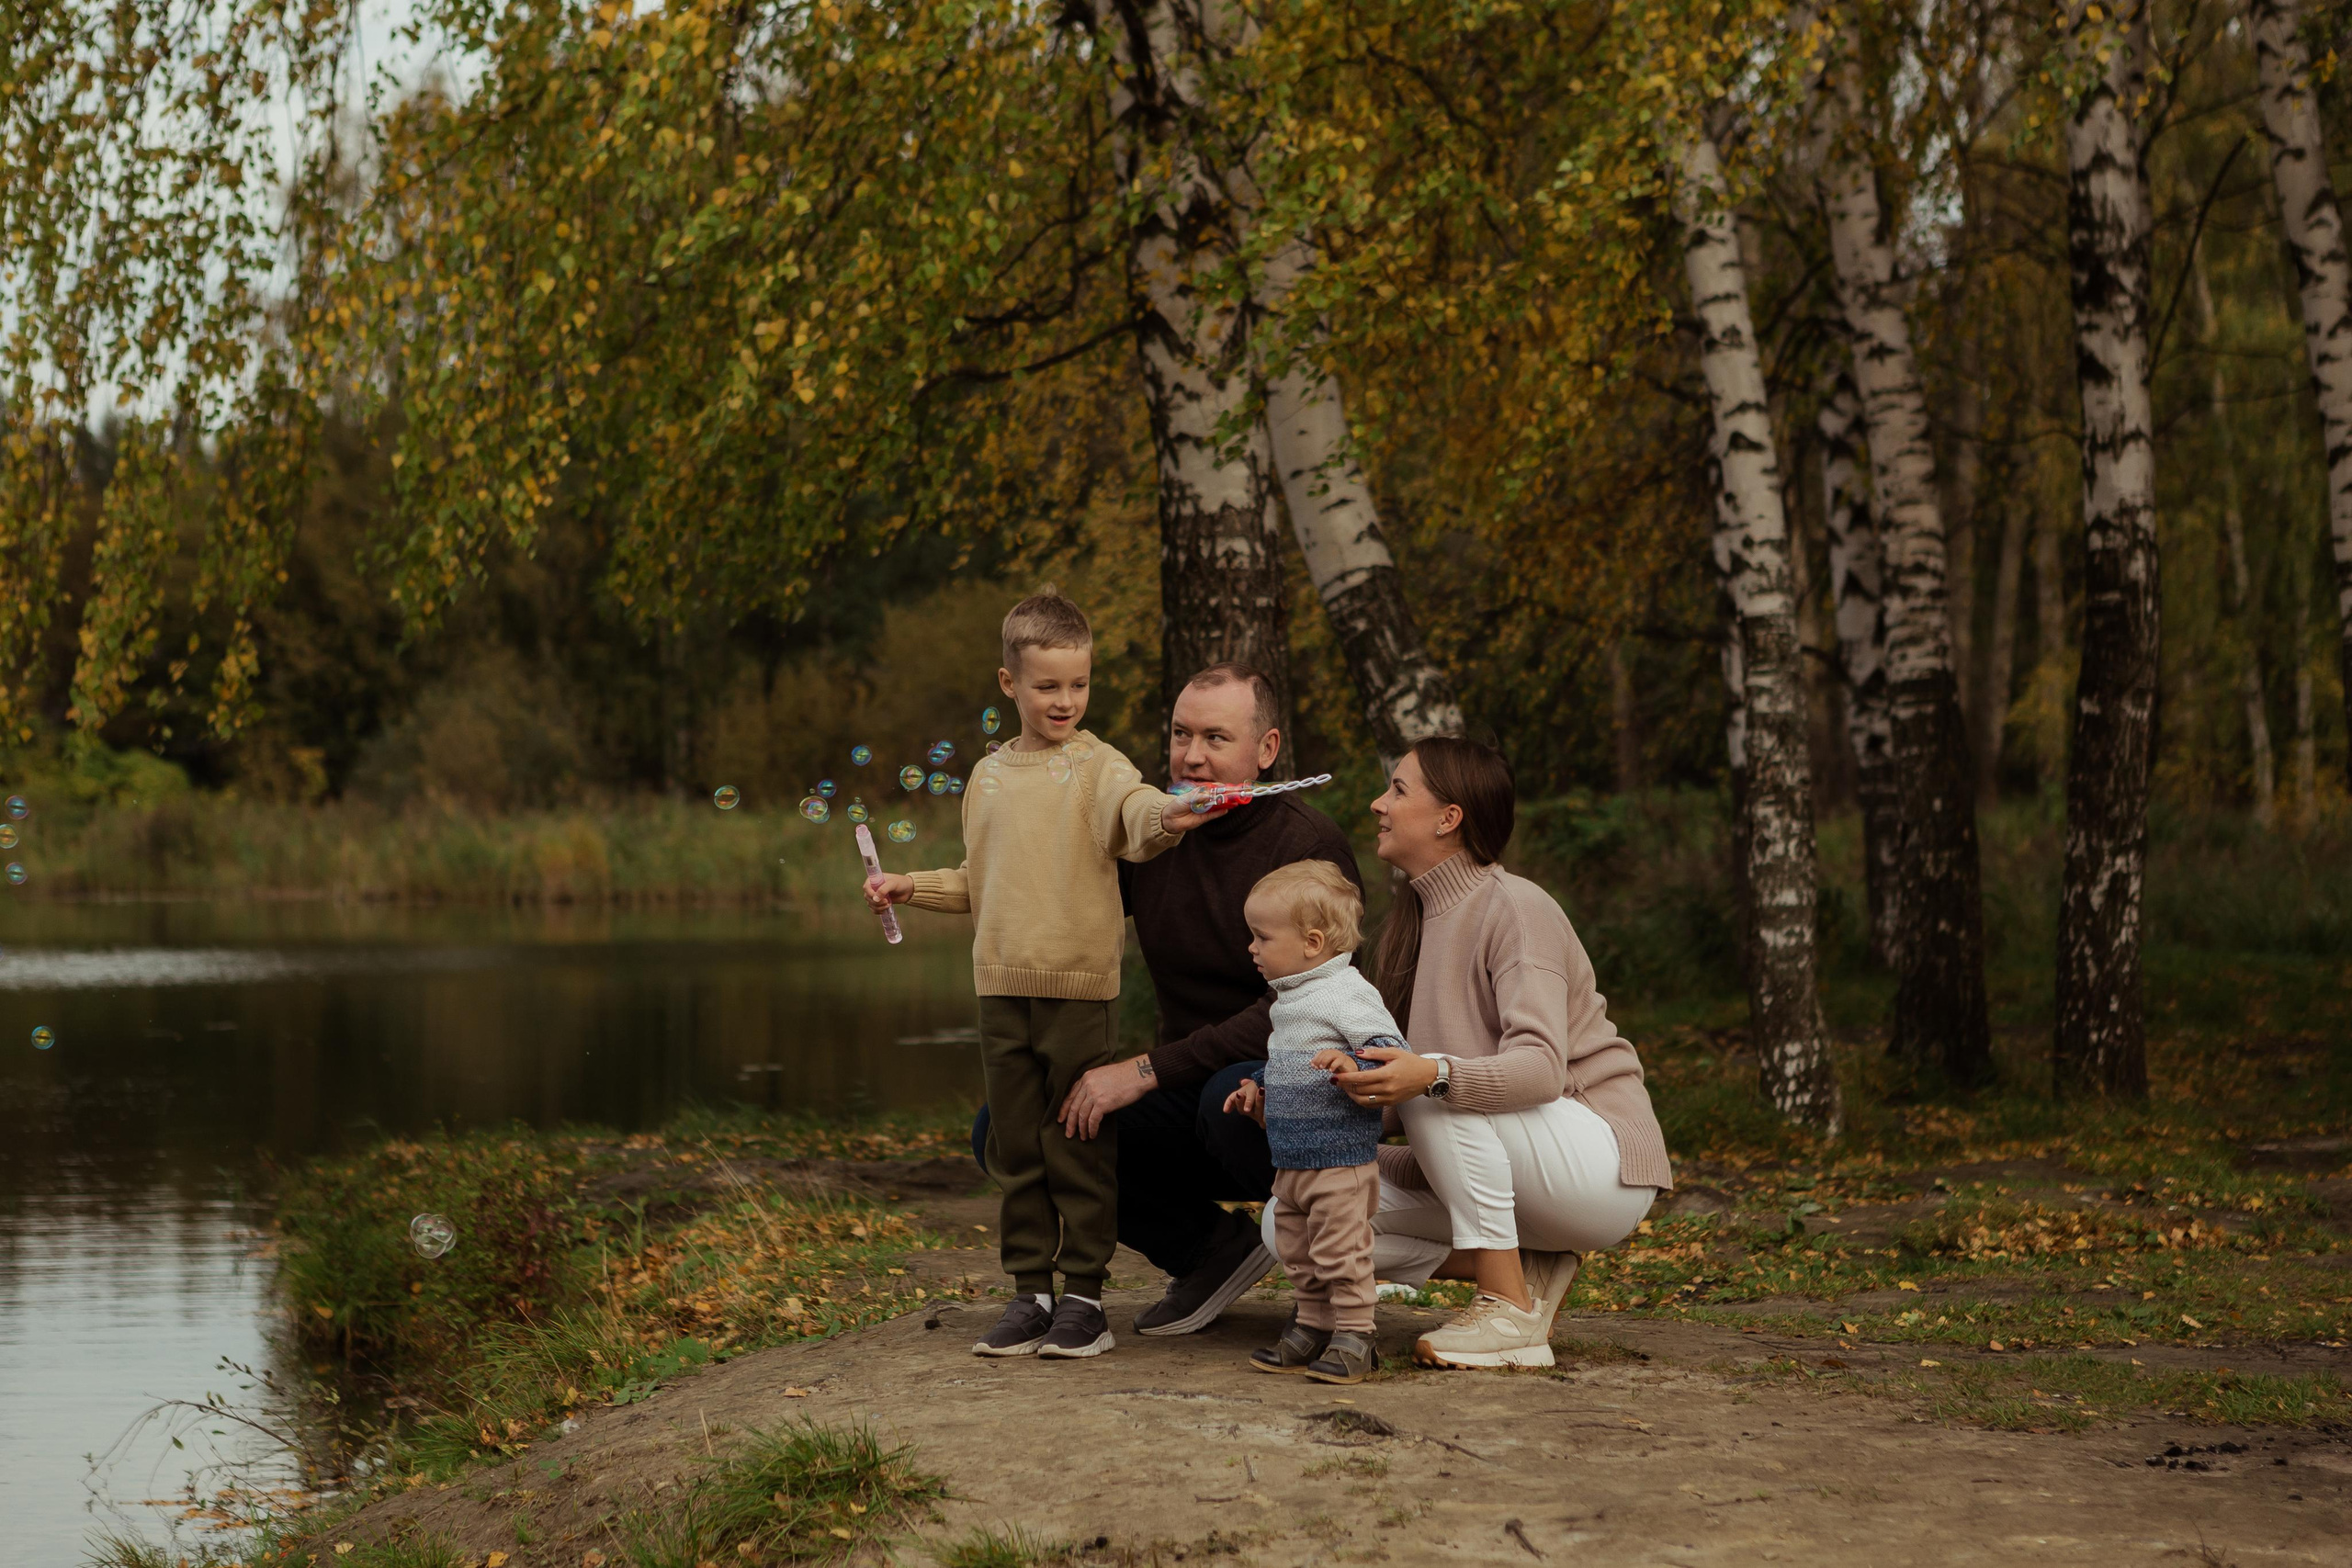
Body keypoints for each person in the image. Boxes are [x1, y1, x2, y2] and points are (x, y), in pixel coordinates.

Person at [862, 588, 1230, 1360]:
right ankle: (1031, 1291)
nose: (1065, 700)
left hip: (1075, 995)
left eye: (1078, 684)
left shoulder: (1101, 768)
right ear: (1009, 685)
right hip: (999, 990)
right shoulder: (988, 778)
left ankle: (1086, 1299)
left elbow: (1135, 814)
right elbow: (980, 880)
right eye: (1047, 685)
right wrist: (911, 887)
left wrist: (1168, 815)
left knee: (1078, 1145)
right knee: (1019, 1148)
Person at [976, 662, 1363, 1336]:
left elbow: (1311, 1001)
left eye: (1216, 737)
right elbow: (1058, 904)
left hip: (1287, 1083)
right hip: (1189, 1081)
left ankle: (1328, 1280)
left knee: (1225, 1098)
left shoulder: (1305, 843)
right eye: (1181, 733)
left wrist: (1146, 1069)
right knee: (1011, 1124)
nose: (1191, 755)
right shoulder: (1152, 834)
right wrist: (1024, 798)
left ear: (1266, 750)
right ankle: (1210, 1252)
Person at [1273, 735, 1673, 1370]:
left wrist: (1426, 1076)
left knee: (1432, 1082)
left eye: (1399, 789)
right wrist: (1311, 1124)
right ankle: (1526, 1266)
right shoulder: (1413, 925)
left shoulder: (1514, 906)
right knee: (1293, 1211)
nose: (1379, 803)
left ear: (1448, 817)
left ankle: (1507, 1307)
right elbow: (1405, 1112)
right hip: (1513, 1169)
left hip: (1601, 1163)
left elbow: (1540, 1069)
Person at [1220, 860, 1409, 1384]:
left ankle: (1356, 1334)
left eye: (1261, 937)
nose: (1252, 949)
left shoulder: (1348, 992)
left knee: (1342, 1250)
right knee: (1298, 1249)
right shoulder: (1293, 1000)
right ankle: (1311, 1323)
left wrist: (1355, 1065)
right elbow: (1293, 1059)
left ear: (1312, 942)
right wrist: (1258, 1083)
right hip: (1292, 1160)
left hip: (1340, 1160)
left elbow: (1392, 1051)